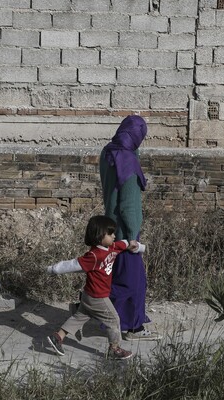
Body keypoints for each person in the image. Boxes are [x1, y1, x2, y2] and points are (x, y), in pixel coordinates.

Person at [46, 215, 145, 360]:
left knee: (79, 317)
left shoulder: (111, 247)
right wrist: (53, 269)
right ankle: (114, 349)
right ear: (100, 235)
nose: (114, 236)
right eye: (110, 234)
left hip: (89, 295)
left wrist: (138, 246)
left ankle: (57, 337)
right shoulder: (93, 255)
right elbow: (72, 265)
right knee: (113, 320)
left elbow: (123, 244)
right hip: (97, 297)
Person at [99, 115, 161, 341]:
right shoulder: (128, 162)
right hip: (125, 233)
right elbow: (129, 205)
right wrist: (134, 234)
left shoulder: (108, 153)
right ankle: (132, 328)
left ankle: (108, 318)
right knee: (133, 282)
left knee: (115, 278)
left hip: (109, 228)